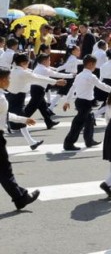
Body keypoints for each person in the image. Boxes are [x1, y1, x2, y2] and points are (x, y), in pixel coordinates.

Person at [0, 68, 39, 211]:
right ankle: (20, 198)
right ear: (2, 80)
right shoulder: (1, 97)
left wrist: (23, 119)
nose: (10, 81)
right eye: (8, 79)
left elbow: (4, 114)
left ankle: (20, 197)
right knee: (4, 171)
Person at [9, 53, 66, 150]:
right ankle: (31, 142)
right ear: (23, 63)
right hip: (18, 98)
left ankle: (32, 142)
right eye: (28, 63)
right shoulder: (23, 72)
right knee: (20, 120)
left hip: (12, 97)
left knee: (21, 121)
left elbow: (33, 73)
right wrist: (55, 81)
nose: (28, 65)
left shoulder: (14, 70)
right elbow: (38, 77)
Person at [63, 56, 109, 151]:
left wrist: (67, 100)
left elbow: (72, 88)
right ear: (90, 64)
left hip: (79, 101)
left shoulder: (80, 75)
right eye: (95, 64)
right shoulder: (90, 76)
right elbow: (102, 86)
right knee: (78, 123)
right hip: (85, 103)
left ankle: (89, 140)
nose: (95, 67)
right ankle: (68, 143)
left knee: (89, 120)